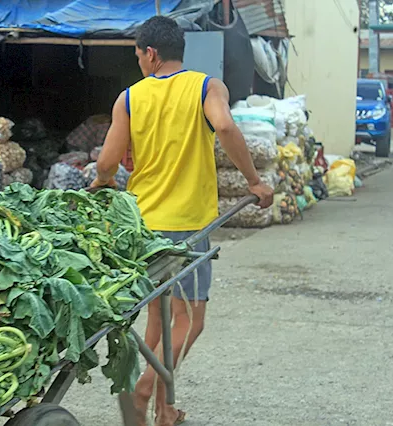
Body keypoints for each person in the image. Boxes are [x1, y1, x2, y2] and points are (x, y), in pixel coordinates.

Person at [91, 16, 274, 426]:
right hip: (187, 224)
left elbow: (106, 164)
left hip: (143, 222)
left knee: (159, 316)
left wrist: (101, 182)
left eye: (138, 56)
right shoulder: (207, 87)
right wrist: (255, 181)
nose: (139, 63)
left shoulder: (130, 99)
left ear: (151, 53)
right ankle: (142, 394)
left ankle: (165, 409)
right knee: (192, 318)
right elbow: (224, 124)